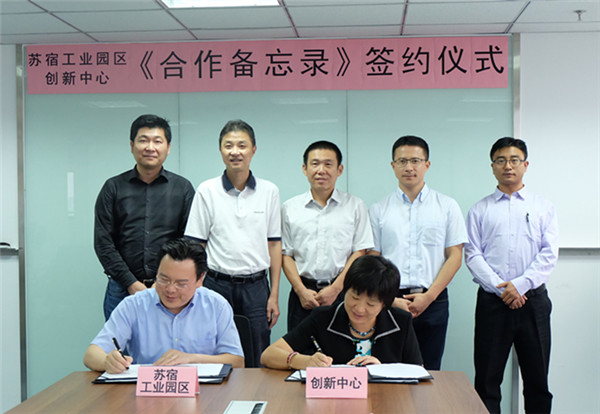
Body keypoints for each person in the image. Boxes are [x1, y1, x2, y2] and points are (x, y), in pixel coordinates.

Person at [465, 137, 558, 414]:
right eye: (501, 160)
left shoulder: (543, 207)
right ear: (492, 166)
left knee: (537, 382)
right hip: (493, 304)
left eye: (514, 160)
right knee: (486, 382)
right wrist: (502, 289)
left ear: (525, 165)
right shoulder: (480, 209)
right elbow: (472, 254)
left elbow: (548, 254)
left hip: (534, 302)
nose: (508, 166)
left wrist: (519, 286)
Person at [184, 119, 281, 365]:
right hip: (216, 284)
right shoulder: (207, 190)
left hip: (256, 287)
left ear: (253, 150)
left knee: (257, 353)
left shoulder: (269, 191)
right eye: (228, 146)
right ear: (220, 150)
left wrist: (274, 295)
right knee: (213, 352)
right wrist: (196, 288)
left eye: (242, 145)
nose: (235, 152)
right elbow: (196, 246)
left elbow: (274, 245)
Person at [368, 135, 467, 370]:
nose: (409, 167)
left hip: (433, 300)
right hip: (391, 301)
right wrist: (390, 300)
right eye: (402, 161)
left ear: (427, 164)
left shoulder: (447, 206)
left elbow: (455, 256)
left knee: (429, 370)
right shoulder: (379, 209)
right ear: (393, 165)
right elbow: (373, 259)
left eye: (415, 161)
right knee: (387, 369)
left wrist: (429, 297)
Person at [83, 238, 244, 373]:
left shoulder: (216, 306)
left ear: (200, 279)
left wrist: (192, 359)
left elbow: (237, 362)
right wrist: (108, 361)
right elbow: (91, 355)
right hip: (148, 394)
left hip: (204, 393)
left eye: (181, 283)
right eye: (163, 279)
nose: (170, 289)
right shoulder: (134, 305)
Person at [94, 114, 195, 320]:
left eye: (157, 141)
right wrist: (131, 283)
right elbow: (103, 243)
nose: (150, 147)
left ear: (168, 147)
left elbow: (188, 241)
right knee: (119, 341)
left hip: (170, 289)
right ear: (132, 146)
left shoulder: (183, 189)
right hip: (121, 289)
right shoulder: (113, 188)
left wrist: (162, 282)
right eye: (143, 140)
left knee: (169, 340)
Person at [260, 255, 422, 369]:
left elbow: (418, 372)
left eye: (370, 304)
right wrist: (303, 361)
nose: (359, 309)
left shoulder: (401, 322)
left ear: (384, 304)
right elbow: (268, 355)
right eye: (354, 297)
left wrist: (381, 370)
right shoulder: (323, 318)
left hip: (385, 401)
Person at [281, 140, 373, 331]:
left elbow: (360, 251)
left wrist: (336, 288)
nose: (321, 170)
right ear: (305, 169)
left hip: (343, 293)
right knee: (299, 347)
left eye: (328, 164)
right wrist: (300, 290)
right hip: (302, 295)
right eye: (315, 164)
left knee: (342, 346)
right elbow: (285, 254)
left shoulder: (355, 206)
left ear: (339, 170)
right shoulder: (289, 208)